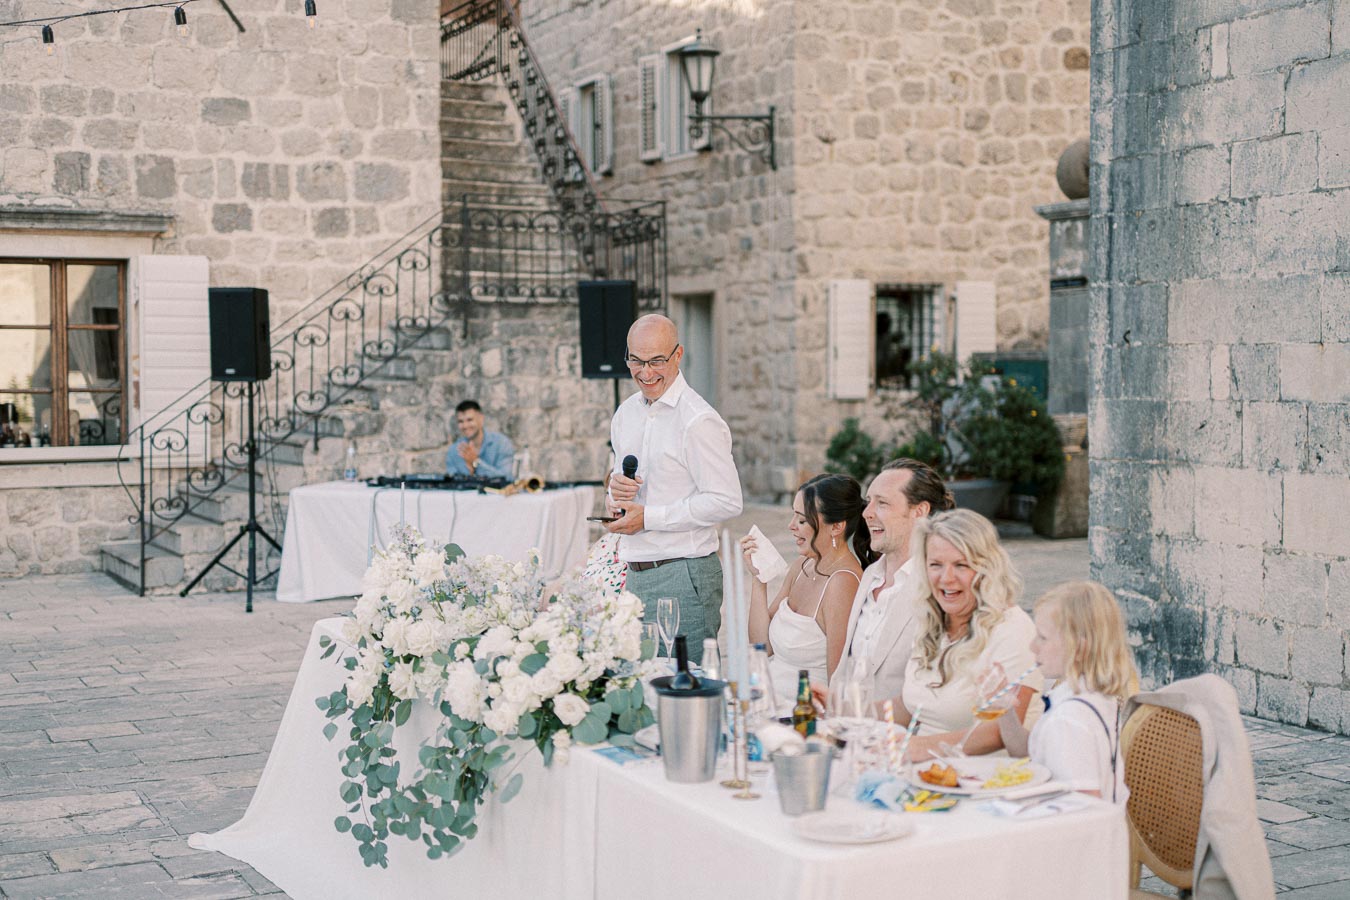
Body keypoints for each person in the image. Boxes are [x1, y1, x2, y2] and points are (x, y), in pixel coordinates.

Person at [605, 314, 742, 665]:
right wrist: (614, 489)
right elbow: (620, 484)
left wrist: (649, 518)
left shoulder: (698, 420)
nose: (645, 373)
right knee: (638, 694)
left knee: (687, 690)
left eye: (656, 361)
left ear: (678, 355)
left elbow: (727, 501)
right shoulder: (625, 414)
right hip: (633, 573)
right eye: (636, 361)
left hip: (685, 573)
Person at [889, 509, 1044, 761]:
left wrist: (915, 747)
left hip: (988, 781)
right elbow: (912, 706)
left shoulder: (1013, 628)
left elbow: (998, 732)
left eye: (961, 565)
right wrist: (840, 710)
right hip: (927, 773)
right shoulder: (932, 620)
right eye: (936, 565)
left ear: (986, 569)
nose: (946, 578)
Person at [740, 474, 873, 710]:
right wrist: (758, 579)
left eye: (802, 520)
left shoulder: (842, 583)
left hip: (802, 712)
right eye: (794, 515)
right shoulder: (802, 566)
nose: (791, 525)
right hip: (768, 700)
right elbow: (762, 646)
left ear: (837, 527)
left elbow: (837, 680)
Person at [995, 581, 1136, 801]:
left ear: (1079, 648)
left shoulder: (1070, 720)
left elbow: (1085, 806)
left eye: (1042, 637)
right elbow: (1026, 752)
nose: (1033, 646)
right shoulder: (1086, 697)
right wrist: (1004, 709)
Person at [830, 458, 955, 703]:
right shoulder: (869, 577)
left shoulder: (941, 587)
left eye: (883, 503)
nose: (867, 513)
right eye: (869, 502)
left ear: (920, 511)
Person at [446, 400, 515, 479]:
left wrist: (476, 463)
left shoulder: (501, 444)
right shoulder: (454, 450)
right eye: (460, 421)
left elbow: (506, 478)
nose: (465, 426)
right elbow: (452, 482)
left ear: (481, 419)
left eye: (470, 420)